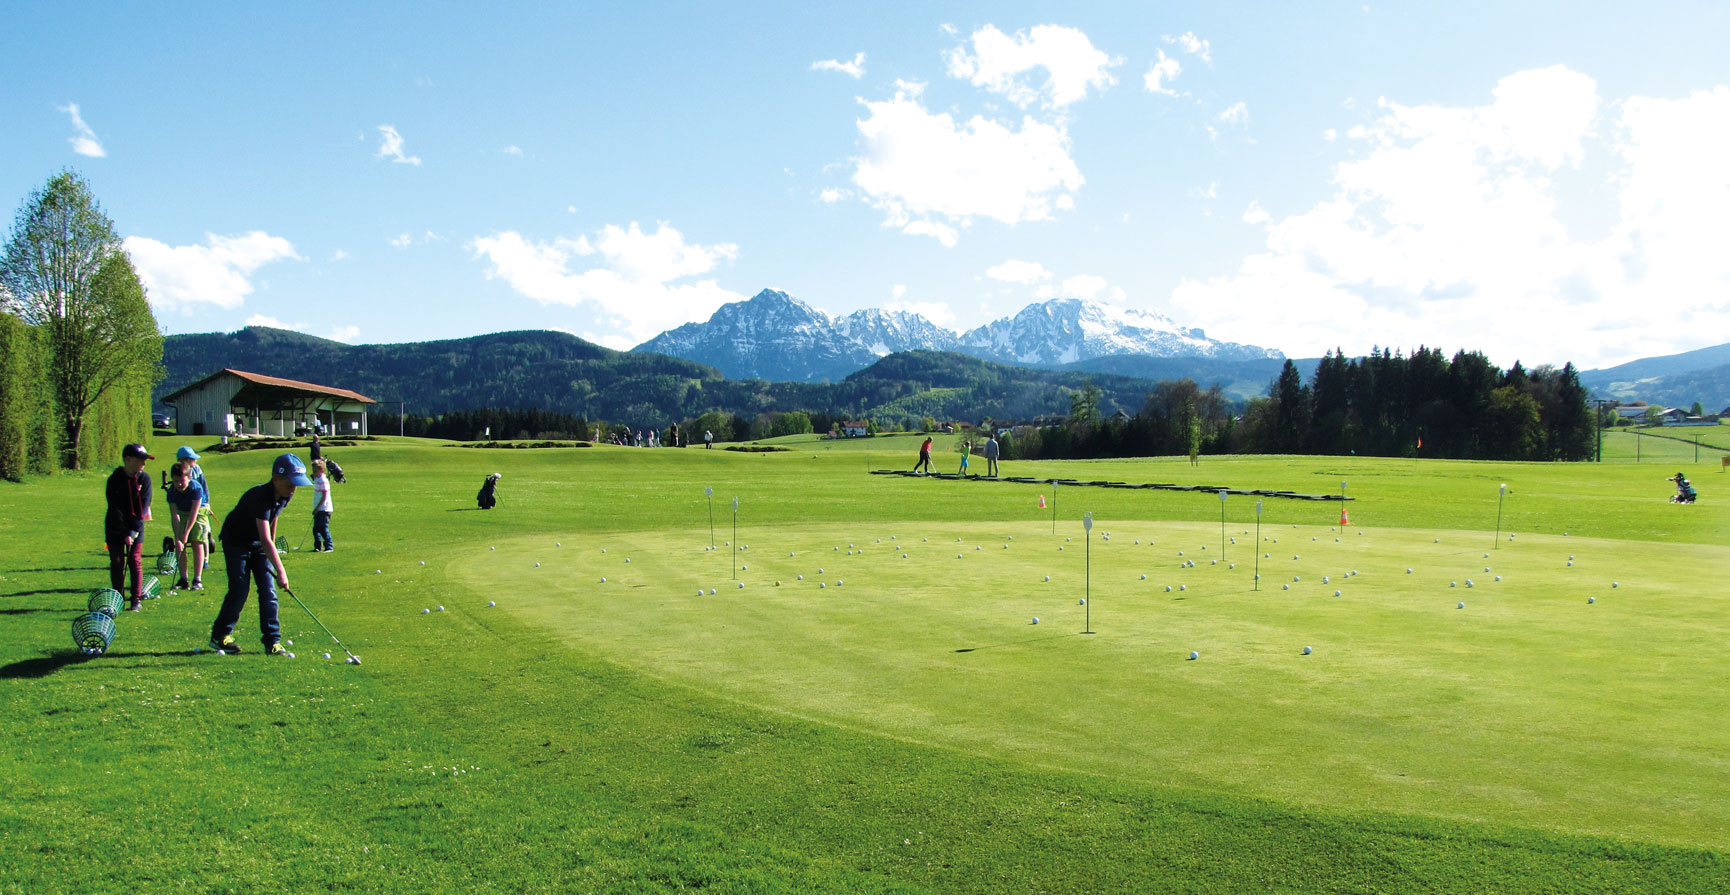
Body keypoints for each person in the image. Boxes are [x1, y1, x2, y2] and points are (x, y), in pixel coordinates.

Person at [207, 453, 310, 656]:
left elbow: (273, 519)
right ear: (275, 479)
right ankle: (220, 635)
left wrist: (270, 545)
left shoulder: (285, 495)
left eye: (296, 484)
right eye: (290, 483)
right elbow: (264, 537)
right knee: (239, 589)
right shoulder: (259, 497)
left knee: (269, 592)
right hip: (236, 542)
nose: (294, 489)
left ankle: (272, 641)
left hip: (258, 544)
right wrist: (281, 571)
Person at [105, 444, 155, 611]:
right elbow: (115, 506)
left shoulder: (144, 479)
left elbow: (143, 507)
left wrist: (133, 531)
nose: (144, 464)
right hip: (115, 524)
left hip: (136, 525)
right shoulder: (114, 479)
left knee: (134, 560)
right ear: (128, 459)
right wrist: (123, 531)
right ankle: (118, 597)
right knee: (117, 562)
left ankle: (136, 599)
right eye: (141, 460)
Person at [164, 460, 210, 591]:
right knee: (180, 547)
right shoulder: (171, 492)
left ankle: (197, 579)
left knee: (197, 543)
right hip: (182, 513)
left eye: (181, 481)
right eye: (175, 480)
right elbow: (174, 515)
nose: (178, 484)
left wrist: (186, 534)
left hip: (198, 513)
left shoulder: (196, 488)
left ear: (189, 477)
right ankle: (183, 579)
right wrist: (179, 537)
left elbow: (194, 515)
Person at [310, 459, 335, 552]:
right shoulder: (318, 479)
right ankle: (317, 546)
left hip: (324, 509)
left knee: (323, 528)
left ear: (322, 471)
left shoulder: (323, 480)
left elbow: (325, 496)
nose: (314, 473)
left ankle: (329, 546)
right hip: (318, 509)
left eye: (316, 471)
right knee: (315, 529)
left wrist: (317, 508)